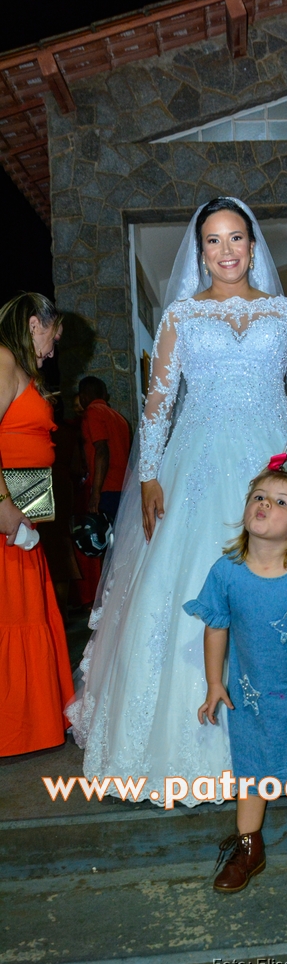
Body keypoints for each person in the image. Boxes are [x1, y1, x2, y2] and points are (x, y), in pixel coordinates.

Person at [66, 197, 287, 805]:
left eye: (235, 238)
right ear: (200, 253)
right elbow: (158, 404)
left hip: (277, 463)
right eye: (213, 241)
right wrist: (149, 476)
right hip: (197, 467)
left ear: (253, 247)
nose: (226, 251)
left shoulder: (284, 313)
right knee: (192, 587)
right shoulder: (180, 316)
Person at [187, 461, 287, 890]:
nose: (265, 505)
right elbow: (216, 627)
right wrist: (214, 683)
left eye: (280, 502)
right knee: (252, 765)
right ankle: (248, 846)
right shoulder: (226, 571)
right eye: (259, 497)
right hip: (251, 695)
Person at [0, 292, 74, 756]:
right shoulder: (3, 359)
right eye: (53, 336)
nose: (52, 349)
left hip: (24, 518)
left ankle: (28, 725)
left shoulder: (20, 368)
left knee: (27, 614)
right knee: (13, 617)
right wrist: (3, 506)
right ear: (33, 324)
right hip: (7, 520)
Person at [78, 376, 131, 522]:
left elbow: (102, 450)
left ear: (83, 397)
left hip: (106, 487)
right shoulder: (120, 418)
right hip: (125, 487)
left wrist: (95, 493)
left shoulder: (92, 412)